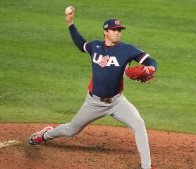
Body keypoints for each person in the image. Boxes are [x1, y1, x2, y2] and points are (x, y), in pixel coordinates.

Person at [29, 6, 157, 169]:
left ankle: (146, 166)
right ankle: (44, 135)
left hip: (117, 102)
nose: (118, 32)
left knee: (139, 124)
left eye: (119, 30)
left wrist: (150, 69)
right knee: (71, 129)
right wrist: (70, 23)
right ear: (106, 31)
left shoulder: (127, 49)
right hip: (93, 103)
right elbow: (80, 43)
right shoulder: (95, 47)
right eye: (114, 29)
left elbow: (152, 62)